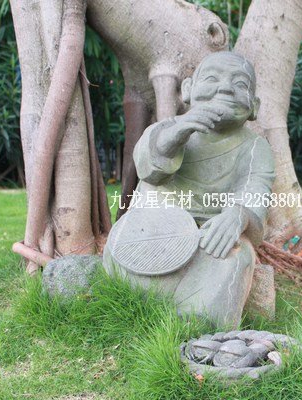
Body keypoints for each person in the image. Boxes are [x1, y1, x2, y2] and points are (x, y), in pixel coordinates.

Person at [104, 51, 275, 328]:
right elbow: (149, 170)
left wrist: (238, 215)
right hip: (152, 230)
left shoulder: (255, 147)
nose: (225, 88)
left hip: (209, 237)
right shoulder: (166, 129)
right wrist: (177, 133)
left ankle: (199, 323)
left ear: (254, 106)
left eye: (240, 84)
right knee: (123, 251)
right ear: (188, 90)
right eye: (212, 79)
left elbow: (256, 190)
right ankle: (139, 305)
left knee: (235, 257)